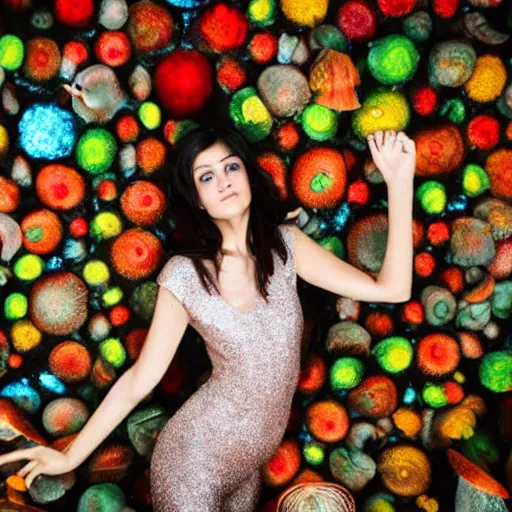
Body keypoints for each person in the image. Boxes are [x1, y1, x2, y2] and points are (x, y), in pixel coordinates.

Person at [0, 125, 416, 511]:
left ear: (249, 175)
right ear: (198, 199)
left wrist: (399, 183)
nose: (224, 181)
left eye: (231, 166)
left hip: (246, 471)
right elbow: (139, 380)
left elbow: (393, 289)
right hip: (192, 463)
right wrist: (71, 454)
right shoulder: (185, 275)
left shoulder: (287, 248)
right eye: (206, 176)